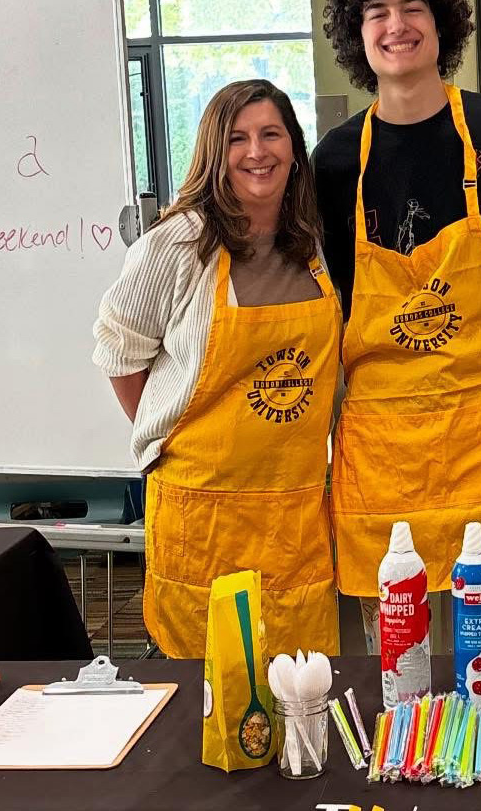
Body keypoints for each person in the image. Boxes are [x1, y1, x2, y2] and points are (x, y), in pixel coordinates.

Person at [313, 0, 481, 644]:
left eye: (412, 8)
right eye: (377, 13)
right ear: (357, 37)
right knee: (395, 657)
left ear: (442, 24)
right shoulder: (334, 162)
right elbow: (327, 292)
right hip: (379, 443)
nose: (396, 25)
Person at [93, 80, 340, 659]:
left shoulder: (314, 243)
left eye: (271, 134)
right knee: (206, 694)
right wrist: (177, 434)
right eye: (238, 138)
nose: (258, 151)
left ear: (294, 147)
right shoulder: (177, 246)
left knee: (298, 688)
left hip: (294, 512)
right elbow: (120, 353)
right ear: (214, 152)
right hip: (203, 513)